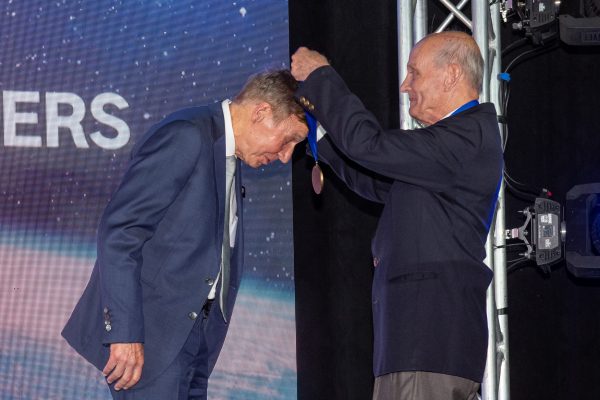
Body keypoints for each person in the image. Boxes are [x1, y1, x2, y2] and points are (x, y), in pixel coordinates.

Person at [61, 69, 308, 399]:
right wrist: (125, 333)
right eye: (289, 139)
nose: (286, 155)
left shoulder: (227, 154)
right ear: (261, 112)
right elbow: (120, 232)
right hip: (150, 339)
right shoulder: (187, 135)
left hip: (193, 338)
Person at [291, 31, 503, 400]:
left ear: (451, 75)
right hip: (416, 344)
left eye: (414, 73)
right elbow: (373, 181)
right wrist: (317, 130)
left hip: (427, 341)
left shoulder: (466, 138)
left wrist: (322, 76)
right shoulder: (449, 147)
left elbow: (369, 146)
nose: (405, 86)